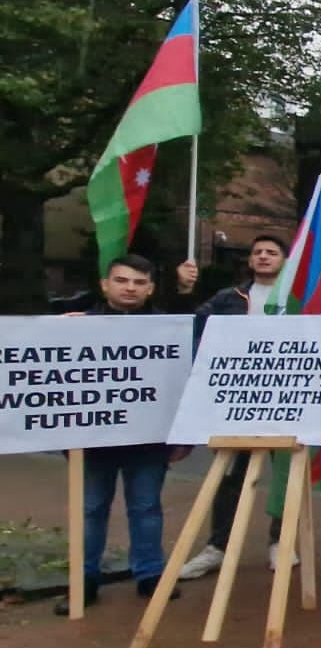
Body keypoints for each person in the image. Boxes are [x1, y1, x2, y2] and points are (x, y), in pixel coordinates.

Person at [55, 254, 196, 615]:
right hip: (92, 439)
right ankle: (83, 580)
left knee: (146, 508)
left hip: (148, 441)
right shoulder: (74, 326)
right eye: (122, 280)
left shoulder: (171, 330)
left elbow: (184, 384)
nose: (129, 288)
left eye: (138, 282)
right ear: (105, 284)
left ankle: (149, 574)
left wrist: (185, 435)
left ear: (149, 288)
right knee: (90, 510)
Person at [179, 235, 293, 580]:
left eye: (271, 252)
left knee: (286, 476)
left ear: (285, 261)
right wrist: (183, 291)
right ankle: (217, 547)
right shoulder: (228, 298)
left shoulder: (298, 300)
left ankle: (281, 542)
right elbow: (190, 328)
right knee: (229, 477)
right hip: (237, 401)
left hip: (285, 397)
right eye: (257, 251)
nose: (263, 257)